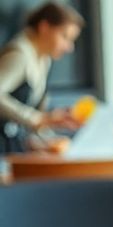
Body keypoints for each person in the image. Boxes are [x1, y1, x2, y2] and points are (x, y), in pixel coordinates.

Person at [0, 2, 84, 155]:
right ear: (44, 27)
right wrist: (36, 119)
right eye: (64, 36)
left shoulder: (44, 58)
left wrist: (47, 135)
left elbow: (33, 117)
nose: (69, 47)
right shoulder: (19, 55)